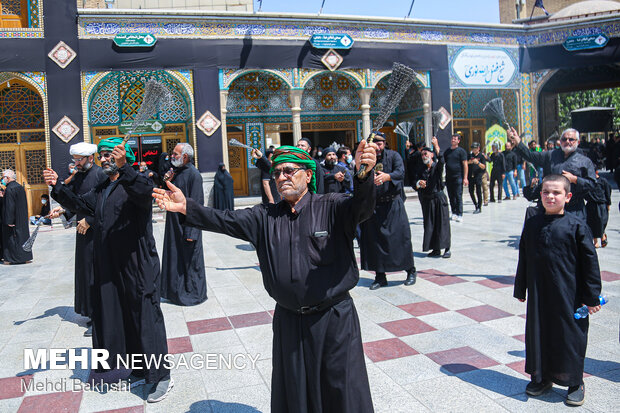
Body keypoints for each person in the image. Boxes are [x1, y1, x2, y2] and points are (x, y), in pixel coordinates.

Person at [153, 140, 378, 413]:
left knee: (340, 388)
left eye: (289, 171)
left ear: (308, 174)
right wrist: (187, 207)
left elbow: (362, 207)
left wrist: (363, 174)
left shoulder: (332, 206)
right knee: (295, 390)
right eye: (277, 172)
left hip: (333, 321)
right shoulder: (265, 217)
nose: (281, 176)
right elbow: (223, 219)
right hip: (289, 322)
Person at [44, 137, 172, 403]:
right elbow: (81, 204)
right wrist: (56, 186)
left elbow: (142, 191)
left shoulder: (136, 182)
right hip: (112, 266)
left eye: (109, 154)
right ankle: (138, 368)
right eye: (101, 155)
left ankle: (161, 376)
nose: (103, 159)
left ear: (123, 157)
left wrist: (126, 168)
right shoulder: (103, 186)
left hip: (137, 265)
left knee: (146, 318)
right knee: (125, 318)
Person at [514, 174, 602, 406]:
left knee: (570, 336)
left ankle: (575, 382)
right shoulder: (532, 223)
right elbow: (524, 255)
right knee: (539, 333)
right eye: (545, 192)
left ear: (568, 196)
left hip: (569, 293)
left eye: (556, 193)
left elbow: (590, 264)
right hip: (539, 292)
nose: (550, 197)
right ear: (540, 194)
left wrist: (592, 296)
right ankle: (542, 378)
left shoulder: (576, 226)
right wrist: (521, 287)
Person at [53, 142, 107, 330]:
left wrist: (90, 220)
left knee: (97, 273)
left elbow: (105, 204)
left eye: (79, 159)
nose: (76, 163)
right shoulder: (79, 177)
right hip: (83, 233)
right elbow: (74, 201)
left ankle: (101, 317)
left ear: (90, 158)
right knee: (86, 272)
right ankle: (91, 313)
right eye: (74, 159)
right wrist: (63, 210)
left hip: (98, 232)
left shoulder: (101, 175)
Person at [360, 132, 417, 290]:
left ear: (384, 143)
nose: (377, 147)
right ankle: (380, 276)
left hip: (393, 204)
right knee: (376, 242)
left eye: (380, 143)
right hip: (375, 206)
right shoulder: (367, 160)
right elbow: (359, 176)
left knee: (400, 239)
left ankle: (410, 270)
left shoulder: (394, 156)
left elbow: (401, 172)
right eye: (374, 144)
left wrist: (388, 176)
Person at [509, 127, 596, 220]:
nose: (567, 141)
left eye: (571, 139)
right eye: (564, 139)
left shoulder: (585, 161)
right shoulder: (550, 155)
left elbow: (592, 185)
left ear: (577, 142)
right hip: (550, 211)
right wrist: (518, 142)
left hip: (574, 210)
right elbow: (530, 156)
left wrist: (575, 179)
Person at [160, 143, 207, 307]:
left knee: (190, 262)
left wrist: (192, 232)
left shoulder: (194, 175)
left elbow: (197, 204)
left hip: (187, 226)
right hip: (174, 225)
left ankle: (192, 294)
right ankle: (172, 292)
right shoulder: (176, 172)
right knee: (174, 259)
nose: (172, 156)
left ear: (185, 157)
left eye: (175, 154)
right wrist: (166, 180)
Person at [412, 137, 451, 258]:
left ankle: (447, 249)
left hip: (438, 198)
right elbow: (414, 183)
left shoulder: (436, 167)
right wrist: (419, 184)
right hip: (427, 199)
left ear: (432, 155)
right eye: (422, 154)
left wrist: (437, 146)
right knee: (430, 224)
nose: (424, 156)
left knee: (442, 223)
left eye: (426, 154)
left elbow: (442, 162)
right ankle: (435, 249)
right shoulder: (421, 169)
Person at [1, 169, 32, 265]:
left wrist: (9, 220)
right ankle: (25, 257)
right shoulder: (19, 186)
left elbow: (10, 206)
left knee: (13, 239)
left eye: (3, 177)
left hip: (13, 220)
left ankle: (13, 259)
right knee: (22, 238)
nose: (2, 180)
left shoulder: (10, 189)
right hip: (21, 218)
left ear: (8, 178)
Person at [443, 134, 468, 222]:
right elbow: (443, 162)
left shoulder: (461, 151)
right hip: (449, 177)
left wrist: (465, 178)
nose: (453, 140)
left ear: (458, 141)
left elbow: (465, 164)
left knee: (458, 195)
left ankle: (460, 213)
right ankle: (454, 212)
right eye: (452, 138)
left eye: (455, 139)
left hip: (458, 177)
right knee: (451, 196)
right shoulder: (447, 151)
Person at [585, 171, 612, 248]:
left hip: (601, 204)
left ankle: (602, 237)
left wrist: (608, 204)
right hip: (591, 204)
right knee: (592, 222)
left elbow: (608, 192)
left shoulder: (603, 181)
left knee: (601, 222)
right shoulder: (588, 182)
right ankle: (596, 241)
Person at [467, 142, 486, 214]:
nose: (474, 150)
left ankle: (479, 206)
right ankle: (475, 204)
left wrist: (477, 162)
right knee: (471, 191)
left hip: (478, 175)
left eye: (475, 148)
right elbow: (466, 163)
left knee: (478, 191)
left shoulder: (481, 156)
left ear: (478, 148)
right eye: (473, 148)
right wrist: (470, 162)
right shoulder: (470, 155)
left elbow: (484, 166)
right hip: (471, 175)